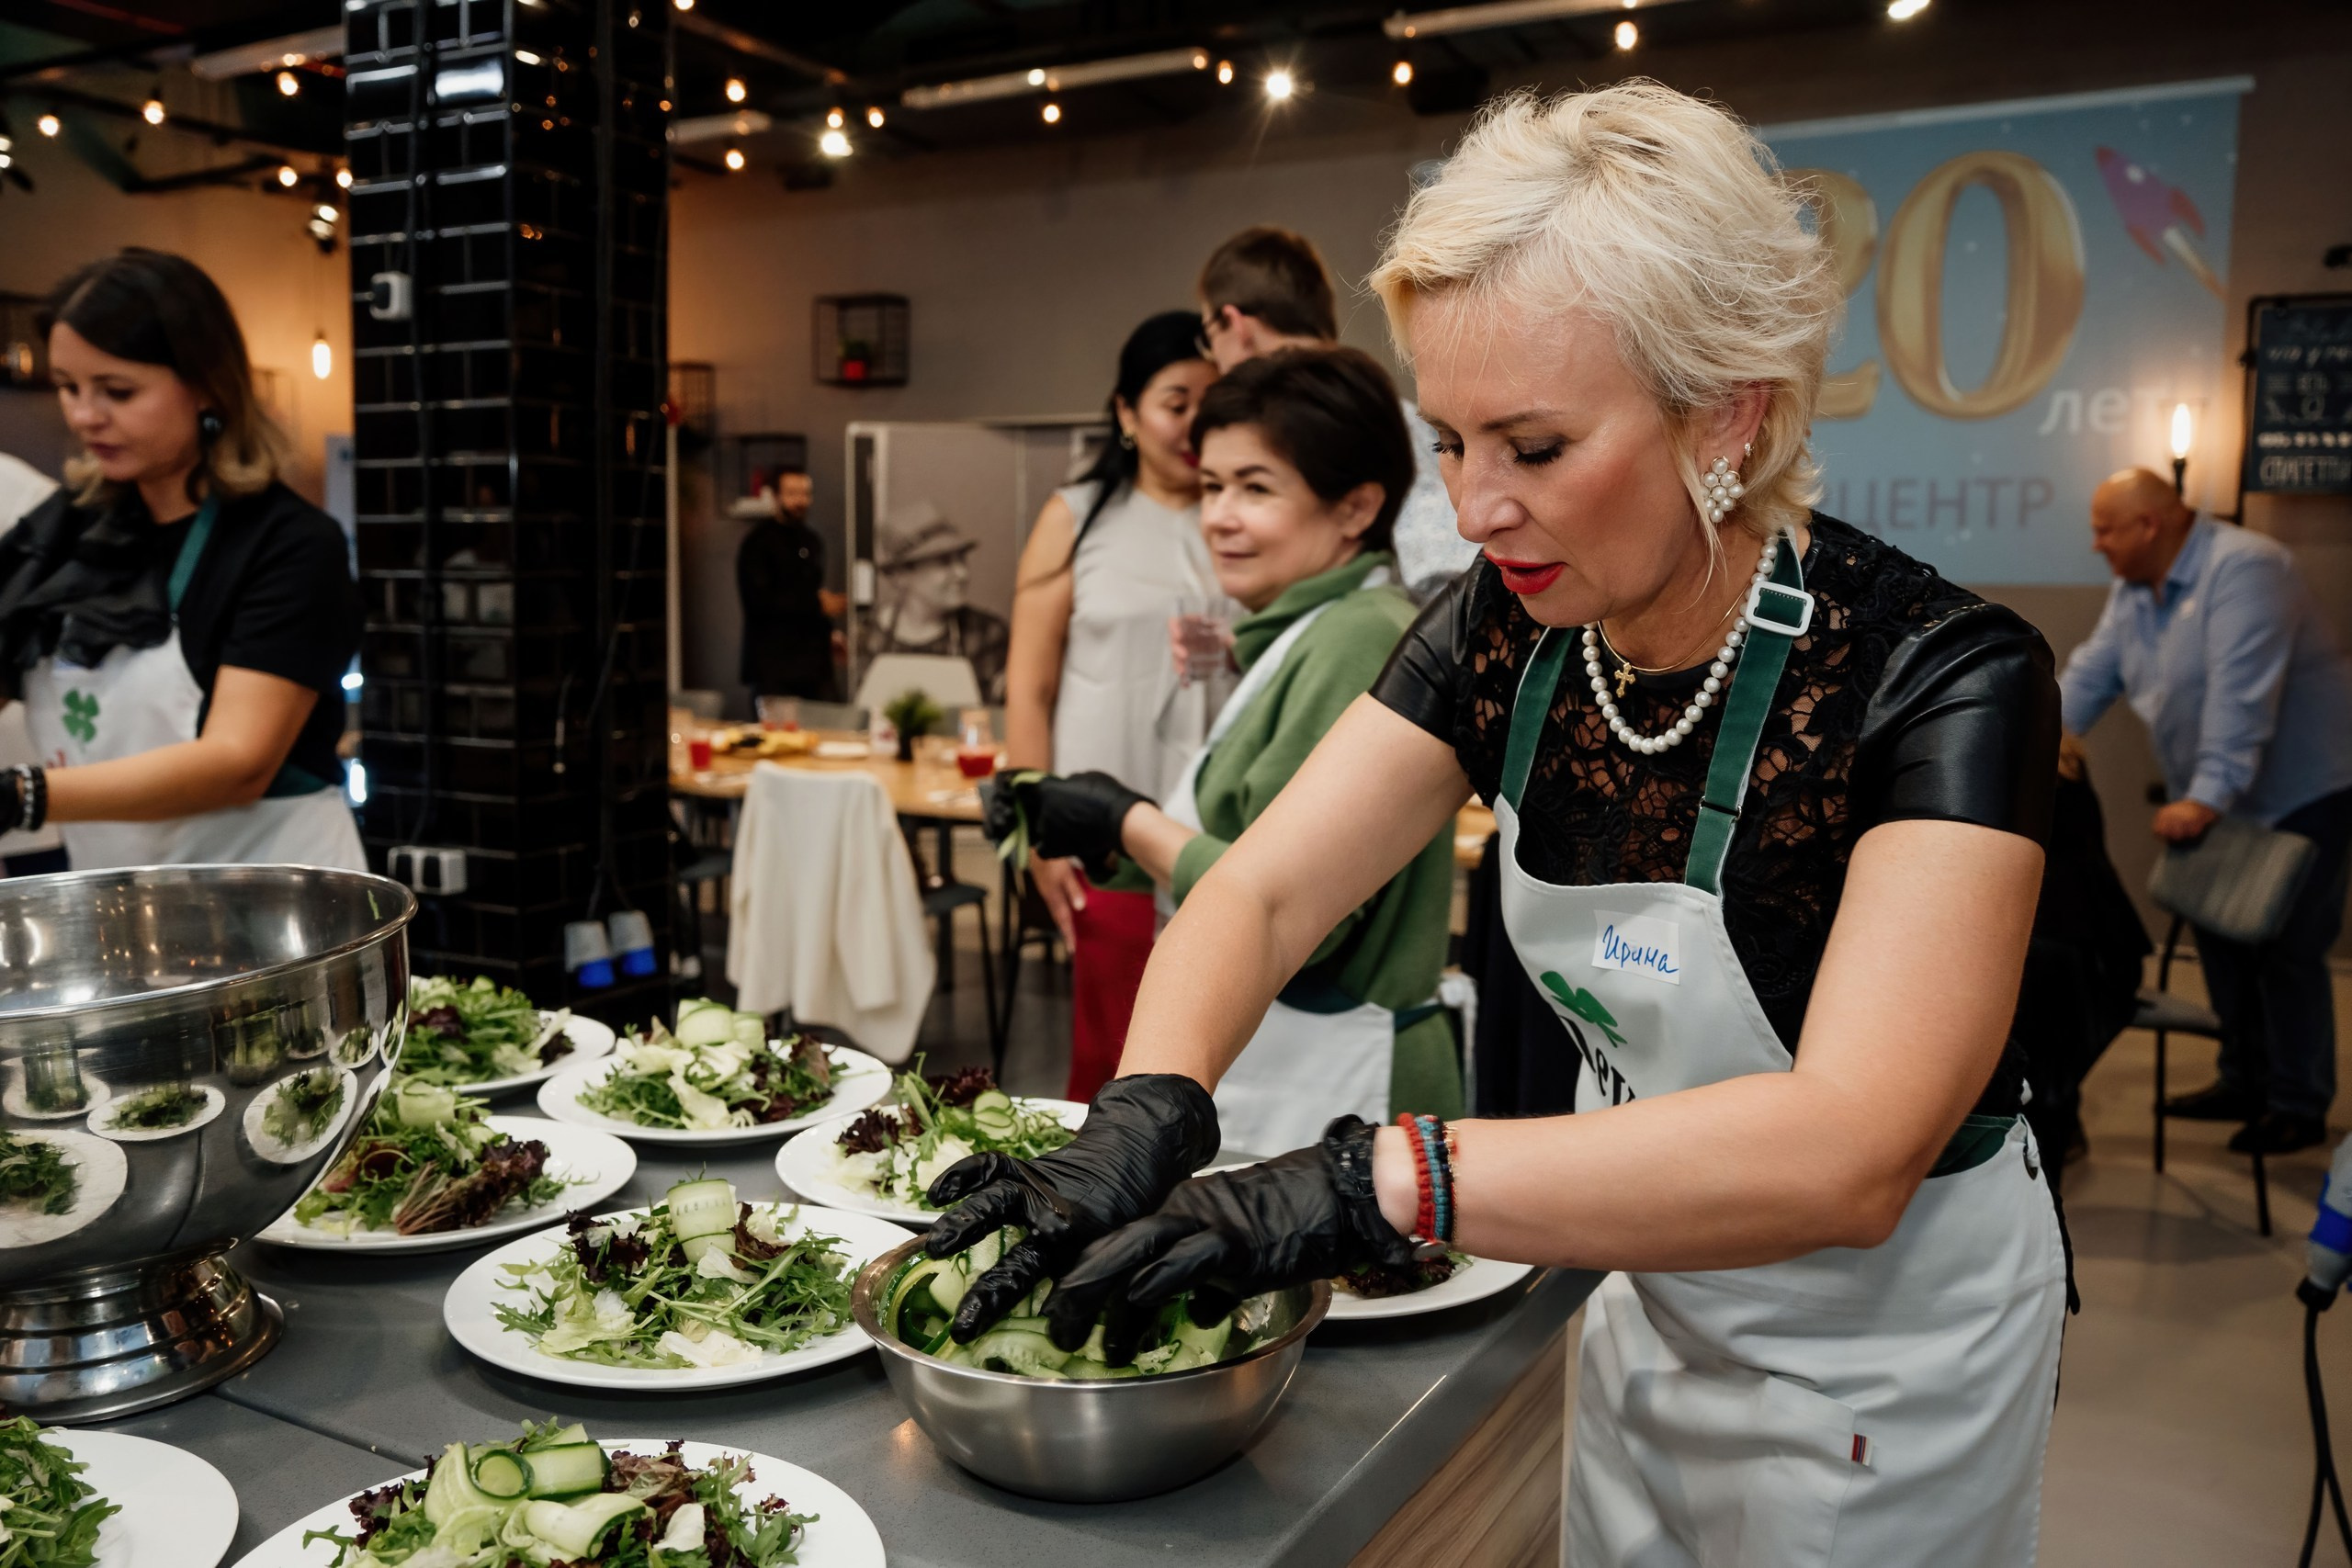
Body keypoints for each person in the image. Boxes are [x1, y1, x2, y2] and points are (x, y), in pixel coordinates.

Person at [936, 83, 2068, 1567]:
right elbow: (1266, 894)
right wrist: (1147, 1103)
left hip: (1886, 1370)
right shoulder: (1508, 633)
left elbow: (1849, 1148)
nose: (1473, 508)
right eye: (1452, 441)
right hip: (1641, 1297)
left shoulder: (1940, 678)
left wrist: (1374, 1179)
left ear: (1726, 414)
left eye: (1531, 448)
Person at [991, 345, 1459, 1156]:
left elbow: (1305, 913)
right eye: (1211, 486)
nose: (1220, 517)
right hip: (1301, 1068)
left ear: (1355, 508)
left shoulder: (1355, 639)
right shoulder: (1304, 628)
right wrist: (1097, 832)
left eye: (1255, 488)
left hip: (1347, 1081)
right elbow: (1249, 844)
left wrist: (1127, 819)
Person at [0, 249, 363, 870]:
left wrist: (24, 795)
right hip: (121, 906)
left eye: (117, 391)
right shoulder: (58, 534)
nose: (85, 415)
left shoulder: (291, 544)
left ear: (204, 384)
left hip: (273, 901)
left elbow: (237, 761)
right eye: (68, 388)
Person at [2060, 467, 2352, 1156]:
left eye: (2106, 530)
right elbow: (2089, 675)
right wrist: (2022, 738)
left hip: (2301, 793)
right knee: (2221, 941)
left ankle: (2297, 1102)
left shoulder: (2247, 568)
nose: (2097, 544)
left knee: (2287, 950)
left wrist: (2205, 797)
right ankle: (2242, 1079)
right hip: (2224, 795)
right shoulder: (2135, 590)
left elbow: (2240, 697)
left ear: (2150, 525)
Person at [1002, 310, 1221, 1101]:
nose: (1195, 421)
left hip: (1220, 838)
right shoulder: (1077, 515)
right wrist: (1036, 826)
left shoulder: (1245, 516)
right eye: (1175, 401)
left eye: (1213, 399)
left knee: (1215, 1076)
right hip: (1106, 843)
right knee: (1115, 1066)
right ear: (1127, 412)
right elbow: (1028, 687)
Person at [1195, 225, 1476, 602]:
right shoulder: (1378, 413)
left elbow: (1445, 577)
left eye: (1256, 488)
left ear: (1235, 323)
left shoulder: (1355, 418)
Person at [856, 502, 1010, 703]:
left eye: (961, 559)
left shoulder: (986, 634)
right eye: (944, 562)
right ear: (901, 574)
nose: (962, 574)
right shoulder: (864, 637)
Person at [737, 466, 845, 703]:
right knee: (780, 736)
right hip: (774, 664)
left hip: (814, 663)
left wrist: (828, 632)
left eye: (806, 493)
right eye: (793, 493)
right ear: (776, 496)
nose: (801, 501)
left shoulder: (811, 540)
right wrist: (817, 605)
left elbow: (810, 590)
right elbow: (759, 603)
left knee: (829, 729)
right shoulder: (758, 543)